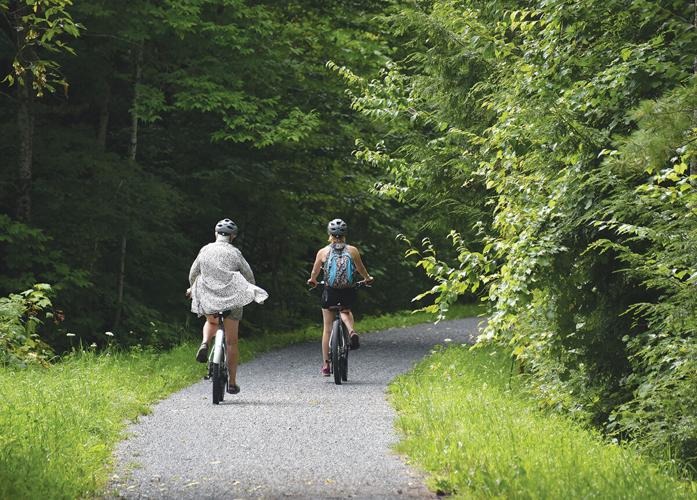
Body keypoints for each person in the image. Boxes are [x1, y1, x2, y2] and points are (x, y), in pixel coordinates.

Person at [187, 218, 267, 394]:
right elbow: (249, 276)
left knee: (212, 322)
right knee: (231, 343)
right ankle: (232, 383)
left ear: (216, 233)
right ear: (233, 236)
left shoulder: (205, 249)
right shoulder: (235, 252)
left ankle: (205, 342)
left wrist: (192, 288)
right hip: (232, 299)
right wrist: (250, 289)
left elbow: (193, 273)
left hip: (210, 298)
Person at [307, 218, 374, 376]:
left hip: (330, 292)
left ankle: (326, 365)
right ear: (345, 234)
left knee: (327, 328)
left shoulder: (323, 252)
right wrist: (367, 278)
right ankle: (351, 331)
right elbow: (361, 268)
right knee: (345, 311)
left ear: (329, 234)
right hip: (348, 291)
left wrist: (313, 281)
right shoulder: (352, 251)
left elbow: (314, 273)